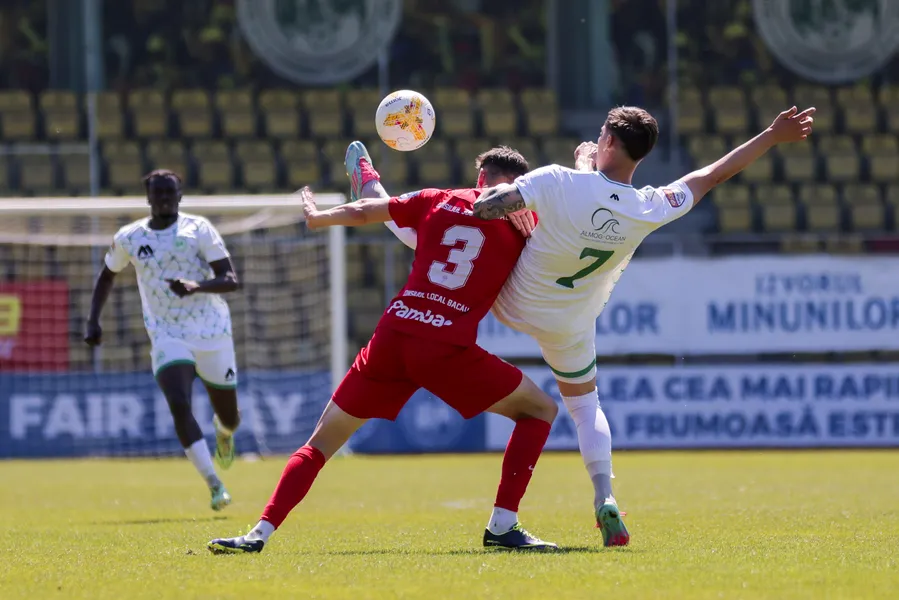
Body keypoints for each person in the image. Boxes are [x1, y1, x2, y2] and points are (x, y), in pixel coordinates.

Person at [370, 105, 816, 546]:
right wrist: (771, 136)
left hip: (512, 299)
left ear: (608, 141)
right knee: (585, 406)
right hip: (570, 324)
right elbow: (713, 175)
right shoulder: (649, 205)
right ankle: (605, 495)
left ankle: (375, 194)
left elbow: (485, 208)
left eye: (601, 132)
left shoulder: (558, 179)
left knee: (442, 237)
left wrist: (525, 199)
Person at [207, 146, 560, 554]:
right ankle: (503, 525)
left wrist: (320, 217)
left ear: (480, 177)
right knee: (539, 410)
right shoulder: (525, 223)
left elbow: (367, 212)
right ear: (518, 186)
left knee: (319, 444)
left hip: (393, 335)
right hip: (444, 346)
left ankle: (258, 534)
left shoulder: (436, 199)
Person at [84, 169, 242, 511]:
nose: (165, 199)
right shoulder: (130, 237)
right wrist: (93, 319)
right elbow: (107, 275)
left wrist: (196, 286)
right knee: (179, 403)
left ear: (180, 196)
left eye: (171, 193)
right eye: (159, 193)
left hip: (212, 331)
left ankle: (224, 431)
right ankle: (214, 484)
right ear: (149, 198)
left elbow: (230, 279)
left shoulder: (198, 229)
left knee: (230, 417)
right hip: (167, 333)